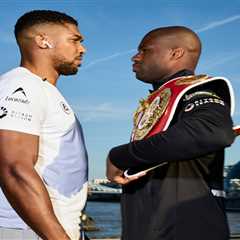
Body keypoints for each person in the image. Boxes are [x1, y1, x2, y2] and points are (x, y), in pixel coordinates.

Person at [106, 26, 236, 240]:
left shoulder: (198, 91)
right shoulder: (164, 97)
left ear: (175, 53)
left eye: (144, 50)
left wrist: (119, 156)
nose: (135, 57)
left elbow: (211, 131)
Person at [0, 10, 88, 240]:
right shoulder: (21, 85)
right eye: (74, 40)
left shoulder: (43, 90)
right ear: (43, 40)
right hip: (24, 231)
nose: (82, 49)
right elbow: (14, 168)